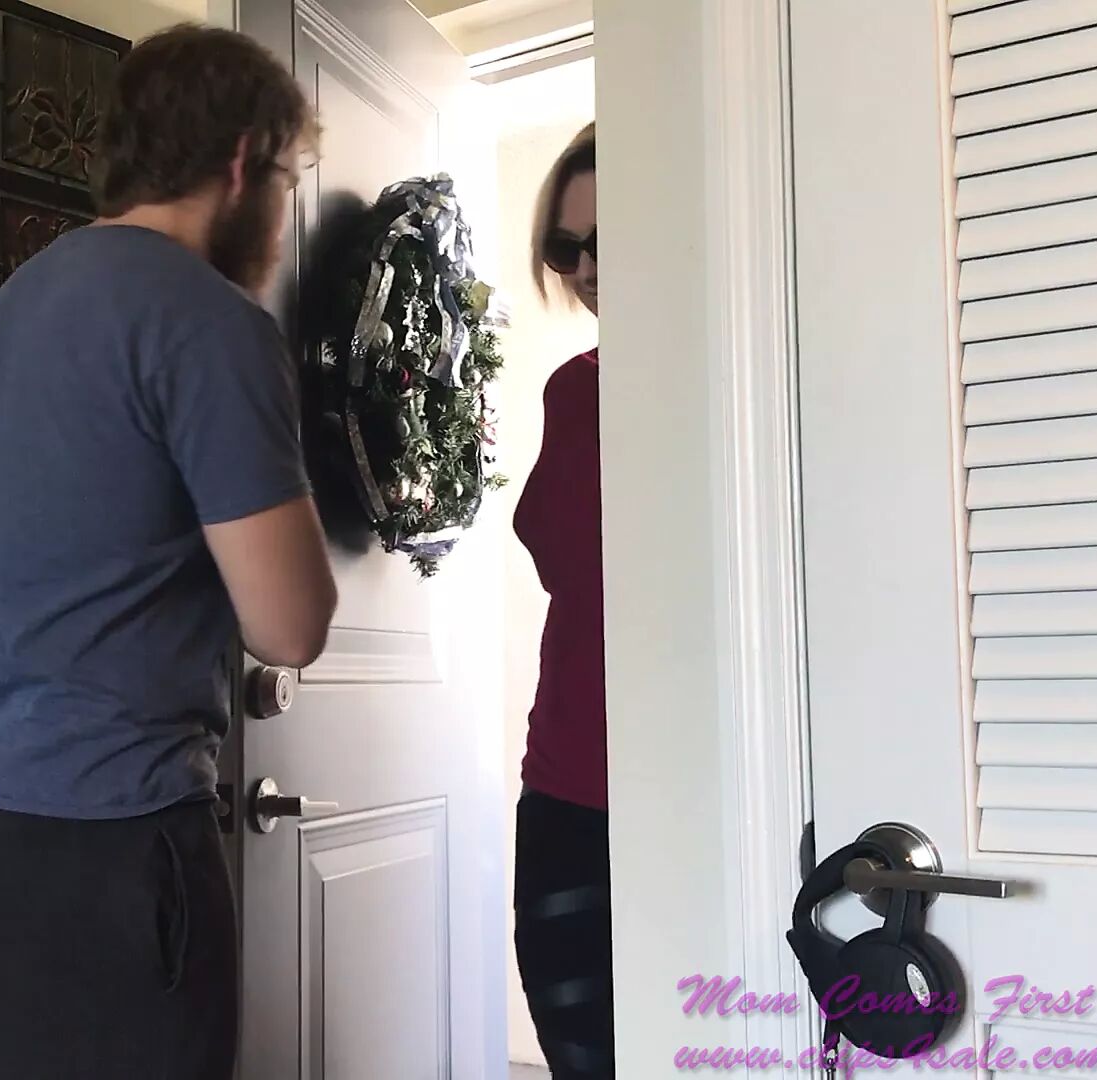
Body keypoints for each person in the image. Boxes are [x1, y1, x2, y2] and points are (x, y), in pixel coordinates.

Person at [0, 25, 336, 1080]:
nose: (282, 220)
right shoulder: (210, 324)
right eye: (287, 181)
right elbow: (291, 626)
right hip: (100, 833)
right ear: (243, 163)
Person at [511, 121, 609, 1080]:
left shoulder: (742, 378)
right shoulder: (570, 392)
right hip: (567, 785)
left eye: (603, 241)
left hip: (695, 791)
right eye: (563, 245)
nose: (582, 270)